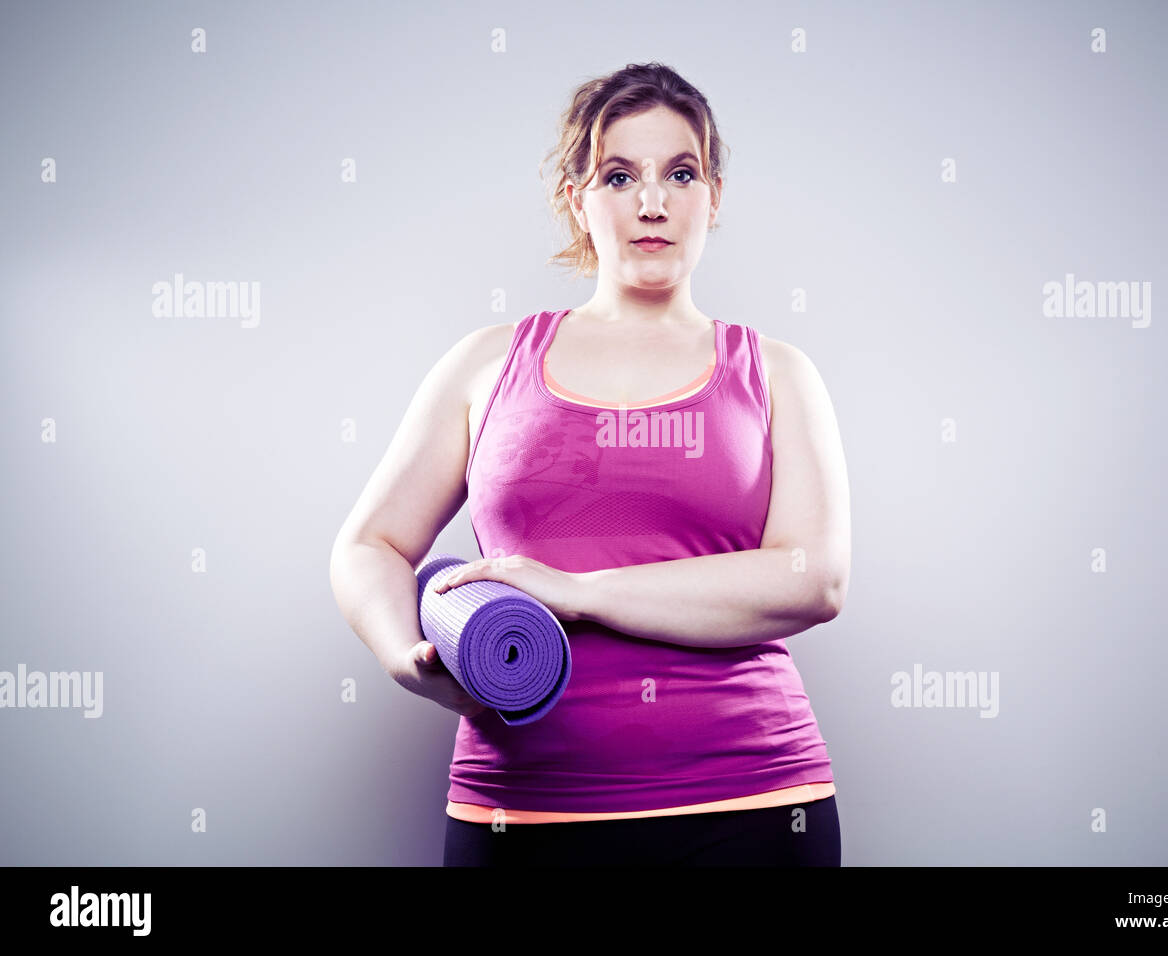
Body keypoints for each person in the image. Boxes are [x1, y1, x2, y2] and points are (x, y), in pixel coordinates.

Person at [329, 62, 851, 867]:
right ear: (579, 199)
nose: (652, 202)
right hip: (520, 812)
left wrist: (578, 593)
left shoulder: (776, 372)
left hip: (751, 803)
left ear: (713, 196)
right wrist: (410, 660)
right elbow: (370, 545)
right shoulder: (486, 363)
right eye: (618, 176)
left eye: (680, 173)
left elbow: (813, 578)